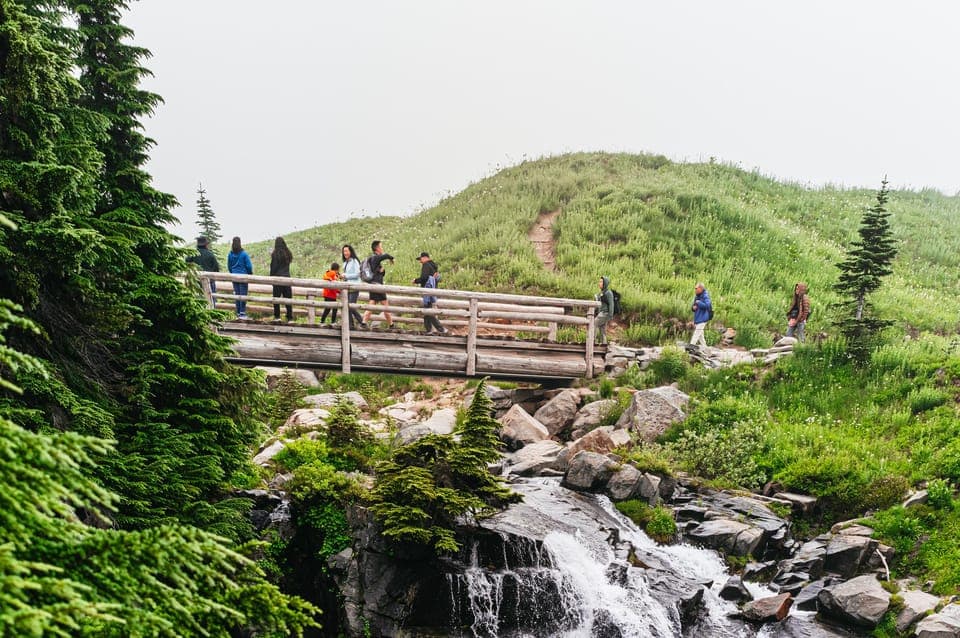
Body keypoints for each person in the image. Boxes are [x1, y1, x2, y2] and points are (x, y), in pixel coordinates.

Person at [362, 240, 394, 328]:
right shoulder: (375, 258)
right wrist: (391, 258)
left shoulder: (373, 259)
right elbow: (386, 256)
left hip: (374, 285)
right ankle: (391, 325)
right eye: (381, 246)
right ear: (377, 248)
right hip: (377, 286)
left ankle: (363, 323)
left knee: (372, 305)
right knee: (385, 306)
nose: (382, 248)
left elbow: (377, 273)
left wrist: (382, 271)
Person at [413, 251, 445, 334]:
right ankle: (429, 330)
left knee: (428, 311)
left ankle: (441, 329)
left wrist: (415, 281)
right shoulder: (433, 266)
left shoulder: (426, 265)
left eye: (420, 259)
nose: (420, 261)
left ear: (425, 258)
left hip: (427, 291)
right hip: (433, 290)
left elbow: (424, 277)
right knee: (427, 311)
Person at [227, 236, 253, 319]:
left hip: (234, 276)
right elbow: (249, 266)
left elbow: (229, 266)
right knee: (243, 294)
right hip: (243, 276)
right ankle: (242, 313)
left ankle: (238, 312)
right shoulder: (244, 254)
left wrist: (233, 272)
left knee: (237, 294)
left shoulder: (230, 254)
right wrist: (249, 273)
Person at [269, 236, 294, 322]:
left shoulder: (275, 254)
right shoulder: (288, 253)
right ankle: (290, 317)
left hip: (277, 279)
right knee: (288, 299)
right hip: (287, 279)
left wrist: (271, 277)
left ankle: (277, 317)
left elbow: (273, 267)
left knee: (276, 299)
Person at [341, 244, 365, 328]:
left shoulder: (355, 261)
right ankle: (350, 325)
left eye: (347, 251)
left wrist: (346, 276)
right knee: (347, 306)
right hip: (347, 287)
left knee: (351, 306)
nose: (345, 253)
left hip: (355, 286)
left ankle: (362, 322)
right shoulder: (345, 263)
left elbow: (358, 274)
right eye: (344, 251)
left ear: (351, 251)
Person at [690, 282, 712, 348]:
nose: (695, 290)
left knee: (697, 333)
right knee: (701, 336)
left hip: (703, 318)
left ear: (701, 288)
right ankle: (705, 348)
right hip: (698, 318)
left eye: (696, 288)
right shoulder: (697, 296)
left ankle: (691, 345)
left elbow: (707, 305)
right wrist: (693, 308)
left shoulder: (705, 296)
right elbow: (694, 306)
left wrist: (699, 303)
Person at [595, 276, 615, 344]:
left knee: (593, 324)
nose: (599, 283)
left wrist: (610, 315)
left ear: (605, 283)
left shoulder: (608, 293)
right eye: (599, 281)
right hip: (601, 313)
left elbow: (611, 304)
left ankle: (593, 342)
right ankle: (604, 344)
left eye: (601, 282)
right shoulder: (602, 292)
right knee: (602, 329)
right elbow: (601, 304)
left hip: (605, 313)